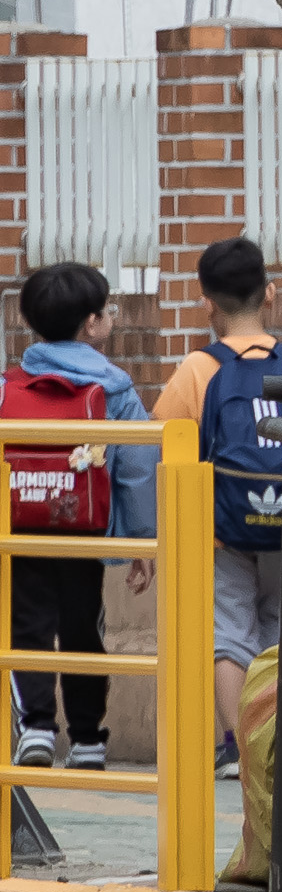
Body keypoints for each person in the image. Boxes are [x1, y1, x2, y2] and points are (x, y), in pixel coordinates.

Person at [150, 238, 282, 780]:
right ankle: (280, 740)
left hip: (224, 530)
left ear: (206, 303)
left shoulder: (198, 370)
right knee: (281, 625)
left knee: (229, 633)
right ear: (270, 294)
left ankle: (237, 746)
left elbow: (160, 435)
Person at [6, 265, 156, 772]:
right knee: (83, 628)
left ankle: (37, 729)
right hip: (84, 531)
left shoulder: (10, 387)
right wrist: (140, 543)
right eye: (108, 310)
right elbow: (136, 470)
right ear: (91, 325)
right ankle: (89, 738)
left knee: (26, 625)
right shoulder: (116, 390)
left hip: (21, 529)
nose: (112, 317)